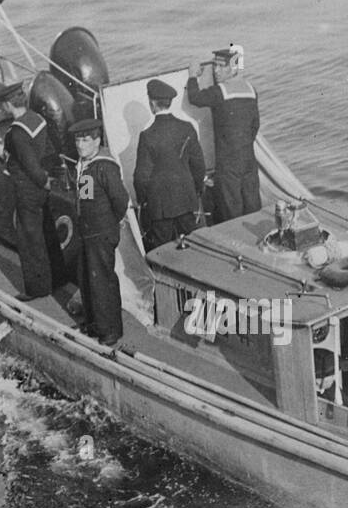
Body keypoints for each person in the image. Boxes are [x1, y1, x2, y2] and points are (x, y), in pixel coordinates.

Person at [69, 117, 128, 345]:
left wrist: (110, 223)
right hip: (87, 232)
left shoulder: (104, 166)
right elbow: (86, 198)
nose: (80, 145)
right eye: (77, 140)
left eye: (85, 140)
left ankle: (110, 330)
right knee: (87, 278)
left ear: (97, 140)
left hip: (101, 233)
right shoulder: (86, 163)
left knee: (102, 281)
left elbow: (120, 200)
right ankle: (94, 323)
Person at [186, 44, 260, 223]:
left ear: (233, 69)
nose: (216, 71)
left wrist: (192, 77)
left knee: (230, 211)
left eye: (221, 67)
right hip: (248, 159)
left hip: (228, 163)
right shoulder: (251, 89)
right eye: (215, 67)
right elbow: (254, 126)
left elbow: (194, 98)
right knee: (252, 206)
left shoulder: (220, 92)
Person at [133, 79, 206, 251]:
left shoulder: (147, 136)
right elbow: (199, 165)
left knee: (163, 252)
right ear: (169, 102)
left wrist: (143, 201)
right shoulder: (187, 128)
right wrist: (196, 190)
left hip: (160, 207)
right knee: (193, 247)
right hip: (187, 200)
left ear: (152, 103)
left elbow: (141, 177)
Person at [1, 101, 54, 298]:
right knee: (45, 234)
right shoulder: (37, 119)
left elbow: (30, 164)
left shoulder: (17, 132)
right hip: (40, 189)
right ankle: (54, 279)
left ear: (9, 104)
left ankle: (37, 289)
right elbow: (49, 150)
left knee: (29, 239)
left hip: (28, 188)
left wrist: (43, 180)